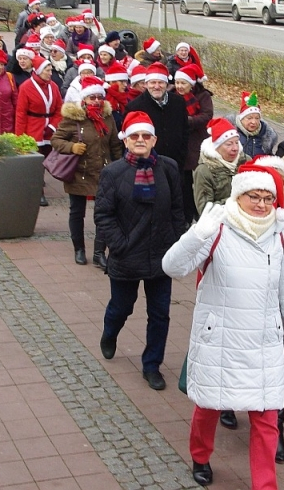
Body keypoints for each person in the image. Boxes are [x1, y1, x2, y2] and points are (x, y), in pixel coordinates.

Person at [163, 162, 284, 488]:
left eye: (268, 197)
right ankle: (200, 455)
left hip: (263, 344)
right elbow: (172, 267)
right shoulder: (216, 228)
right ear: (238, 196)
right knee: (208, 408)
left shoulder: (279, 238)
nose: (261, 204)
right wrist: (196, 236)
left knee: (266, 420)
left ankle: (265, 485)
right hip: (220, 338)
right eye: (254, 196)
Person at [94, 112, 184, 389]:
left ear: (154, 139)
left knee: (160, 314)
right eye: (135, 136)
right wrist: (119, 244)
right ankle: (110, 333)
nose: (141, 140)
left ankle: (151, 365)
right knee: (122, 307)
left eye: (146, 136)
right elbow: (103, 215)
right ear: (126, 139)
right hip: (127, 255)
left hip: (161, 256)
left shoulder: (168, 167)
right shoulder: (113, 173)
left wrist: (177, 245)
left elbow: (178, 209)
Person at [52, 77, 123, 266]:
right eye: (92, 97)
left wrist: (119, 166)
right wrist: (72, 147)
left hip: (104, 173)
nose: (96, 101)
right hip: (79, 173)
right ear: (84, 99)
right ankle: (79, 249)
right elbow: (56, 140)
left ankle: (100, 252)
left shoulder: (107, 118)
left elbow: (115, 143)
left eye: (99, 97)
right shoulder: (73, 118)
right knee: (77, 212)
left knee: (104, 213)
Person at [15, 55, 63, 206]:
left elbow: (59, 109)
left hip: (49, 129)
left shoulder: (53, 86)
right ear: (39, 71)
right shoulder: (26, 87)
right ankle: (38, 192)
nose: (50, 73)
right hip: (33, 128)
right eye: (48, 70)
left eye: (50, 70)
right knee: (36, 163)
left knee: (49, 160)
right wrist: (19, 137)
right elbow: (21, 113)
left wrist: (52, 126)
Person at [125, 62, 189, 169]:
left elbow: (185, 131)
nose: (156, 86)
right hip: (146, 165)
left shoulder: (179, 102)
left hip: (175, 164)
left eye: (161, 82)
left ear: (166, 84)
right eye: (152, 82)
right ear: (146, 84)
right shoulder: (134, 106)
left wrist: (181, 158)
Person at [174, 64, 214, 225]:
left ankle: (199, 213)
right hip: (180, 145)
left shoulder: (202, 96)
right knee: (183, 185)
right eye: (177, 83)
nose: (179, 86)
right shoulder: (172, 95)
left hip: (197, 144)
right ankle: (185, 215)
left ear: (191, 84)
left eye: (183, 83)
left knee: (198, 183)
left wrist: (188, 121)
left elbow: (207, 115)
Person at [192, 117, 247, 216]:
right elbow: (205, 209)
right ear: (216, 147)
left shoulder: (246, 161)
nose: (235, 148)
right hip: (220, 224)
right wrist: (238, 201)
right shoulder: (204, 171)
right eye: (229, 144)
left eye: (236, 143)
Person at [229, 91, 278, 158]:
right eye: (249, 118)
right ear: (241, 118)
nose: (254, 122)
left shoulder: (266, 136)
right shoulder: (231, 133)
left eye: (257, 118)